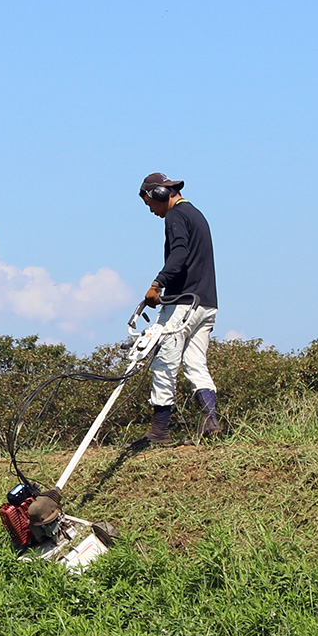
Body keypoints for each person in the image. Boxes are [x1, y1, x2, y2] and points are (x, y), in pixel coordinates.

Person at [136, 172, 220, 445]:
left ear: (159, 194)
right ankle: (211, 421)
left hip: (183, 303)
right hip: (206, 304)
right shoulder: (196, 214)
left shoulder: (175, 216)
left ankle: (159, 432)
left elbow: (180, 253)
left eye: (150, 203)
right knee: (195, 363)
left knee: (164, 362)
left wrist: (157, 284)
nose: (151, 210)